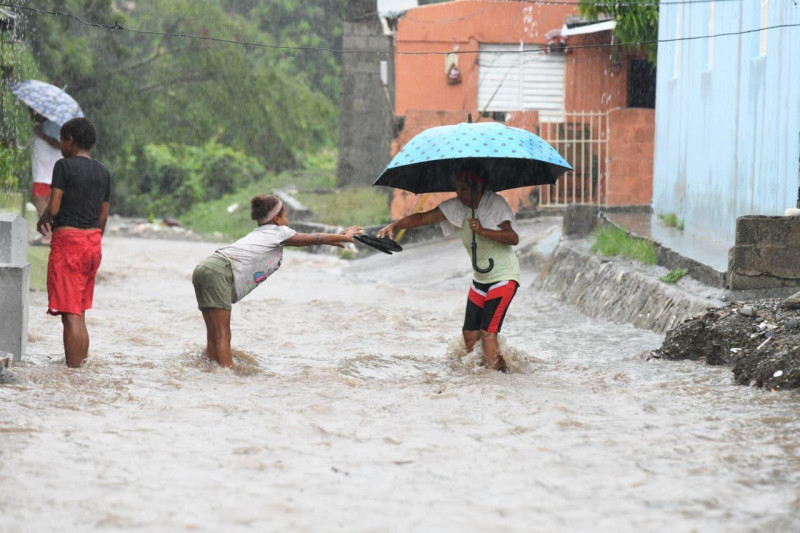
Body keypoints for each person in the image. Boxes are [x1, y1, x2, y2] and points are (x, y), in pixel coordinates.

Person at [192, 194, 363, 368]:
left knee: (214, 332)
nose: (288, 222)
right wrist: (343, 237)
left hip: (205, 268)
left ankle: (212, 371)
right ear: (276, 218)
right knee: (223, 333)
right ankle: (225, 377)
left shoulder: (259, 234)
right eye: (286, 217)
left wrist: (334, 239)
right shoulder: (278, 231)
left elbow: (313, 239)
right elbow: (313, 238)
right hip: (219, 271)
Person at [378, 167, 520, 372]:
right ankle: (487, 372)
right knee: (470, 335)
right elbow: (423, 218)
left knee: (488, 333)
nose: (459, 195)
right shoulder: (457, 207)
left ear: (478, 186)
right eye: (457, 190)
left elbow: (513, 238)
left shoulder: (495, 204)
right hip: (480, 278)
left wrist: (483, 231)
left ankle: (495, 381)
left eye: (463, 190)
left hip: (504, 277)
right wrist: (395, 225)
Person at [36, 117, 111, 368]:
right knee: (80, 312)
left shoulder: (63, 166)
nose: (60, 146)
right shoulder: (103, 171)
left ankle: (73, 374)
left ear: (70, 140)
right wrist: (92, 239)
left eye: (61, 140)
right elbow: (103, 217)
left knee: (70, 315)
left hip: (69, 243)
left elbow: (55, 207)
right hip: (93, 243)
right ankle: (83, 367)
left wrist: (44, 217)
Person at [29, 110, 63, 245]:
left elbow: (60, 144)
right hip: (42, 171)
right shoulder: (44, 125)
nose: (31, 115)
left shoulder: (52, 125)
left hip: (47, 173)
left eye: (33, 112)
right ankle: (48, 234)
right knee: (43, 202)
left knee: (42, 201)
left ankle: (48, 236)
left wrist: (41, 135)